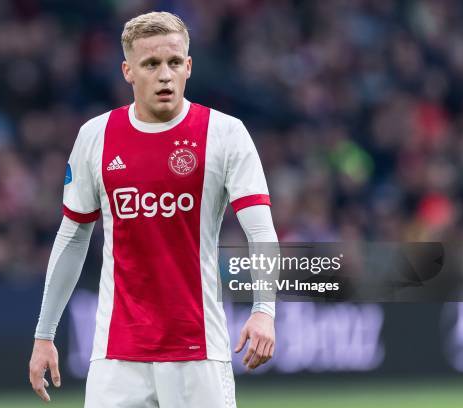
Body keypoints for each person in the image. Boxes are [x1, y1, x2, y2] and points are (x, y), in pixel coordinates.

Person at [29, 11, 278, 407]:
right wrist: (45, 334)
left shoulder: (225, 133)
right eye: (151, 64)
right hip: (117, 358)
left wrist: (264, 310)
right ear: (128, 71)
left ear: (189, 66)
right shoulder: (96, 136)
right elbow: (73, 236)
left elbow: (261, 232)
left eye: (174, 63)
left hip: (199, 352)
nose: (165, 75)